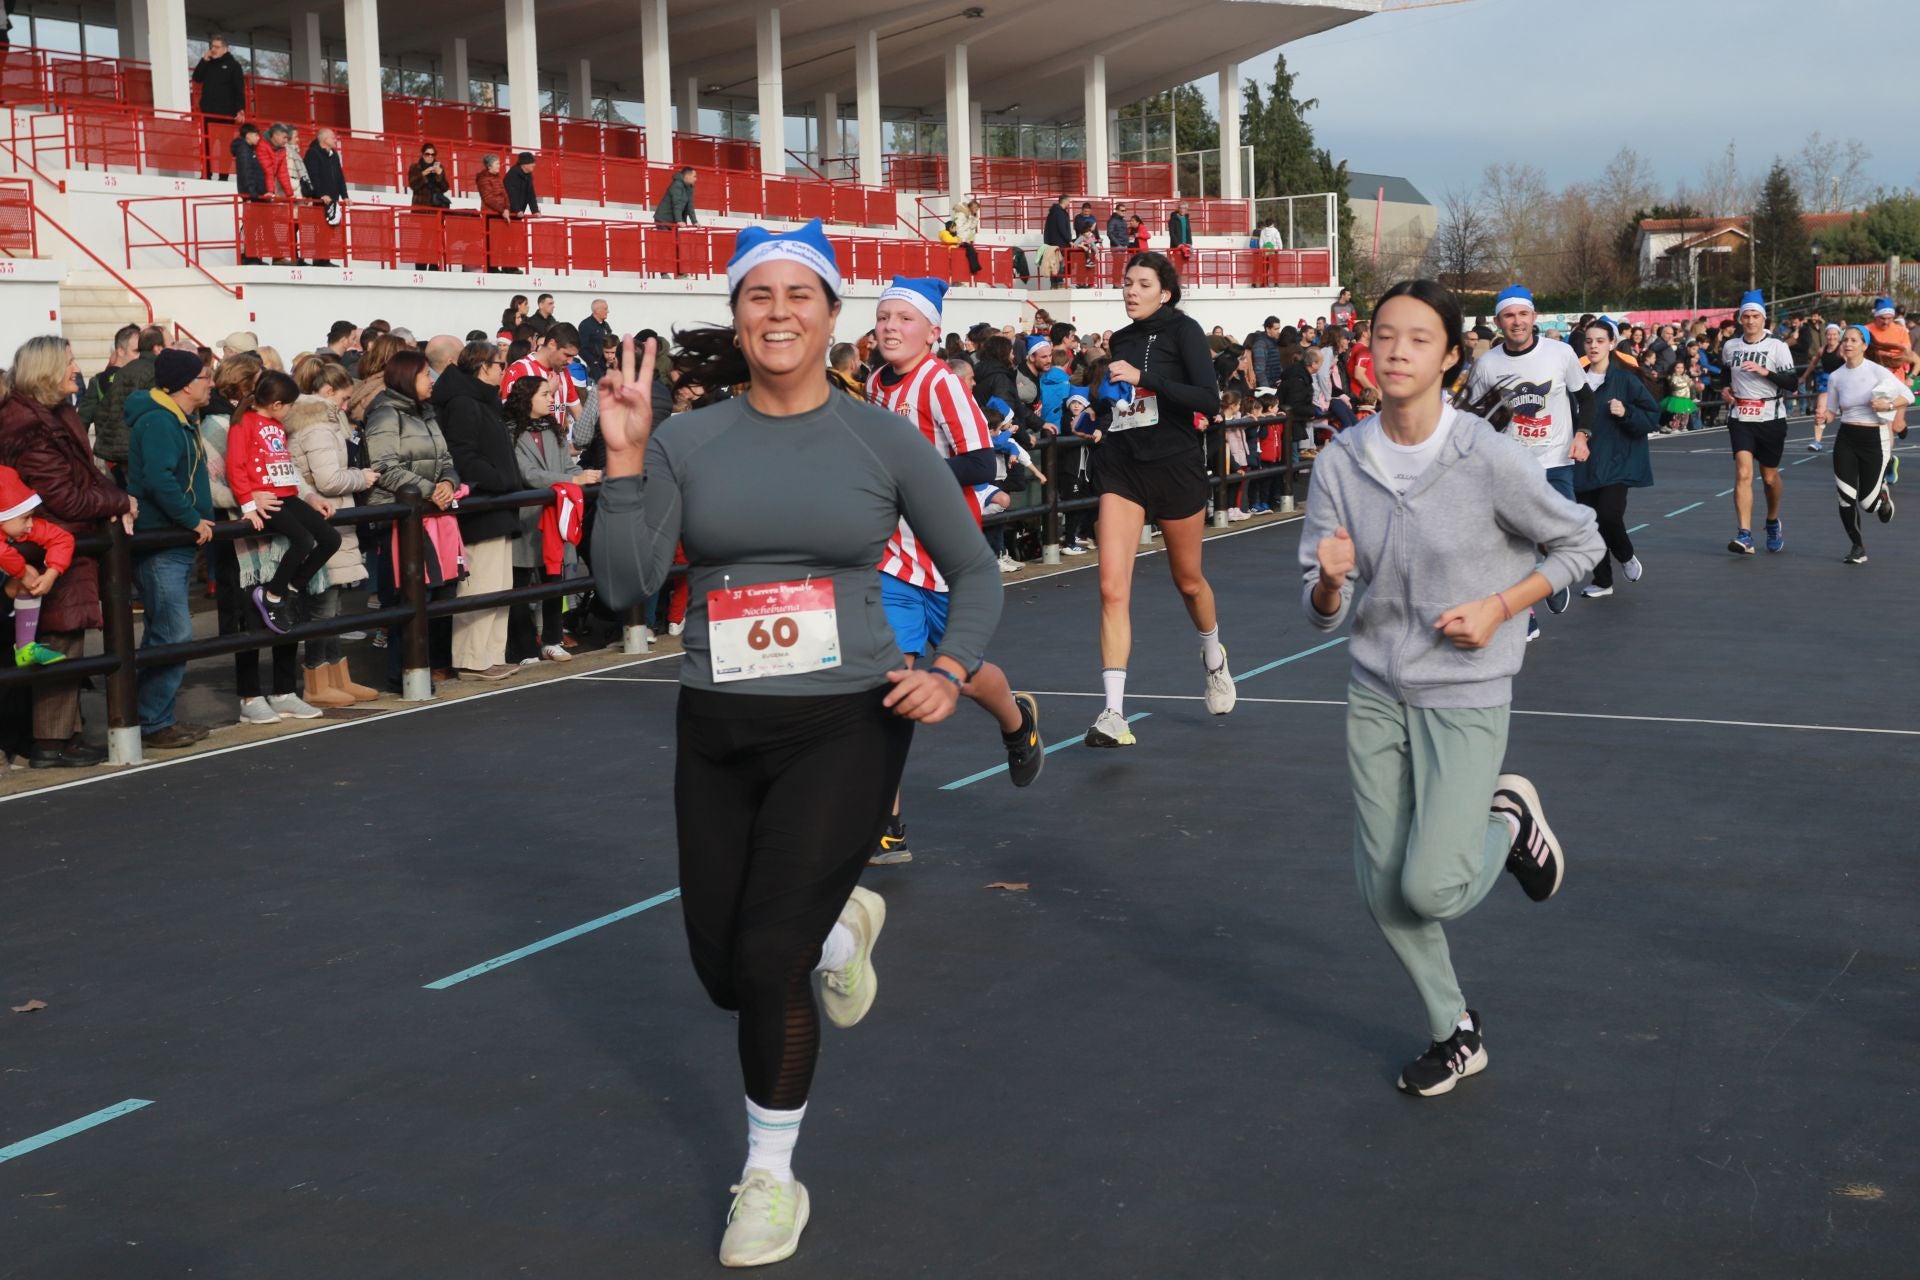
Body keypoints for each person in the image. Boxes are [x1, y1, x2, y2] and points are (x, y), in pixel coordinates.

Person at [591, 220, 1002, 1268]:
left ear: (831, 315)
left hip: (847, 718)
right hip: (719, 720)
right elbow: (622, 583)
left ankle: (769, 1178)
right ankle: (840, 923)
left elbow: (978, 570)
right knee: (727, 972)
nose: (778, 312)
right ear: (737, 315)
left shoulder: (882, 438)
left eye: (799, 295)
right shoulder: (687, 437)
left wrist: (949, 671)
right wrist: (626, 457)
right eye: (758, 295)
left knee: (766, 961)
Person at [1300, 278, 1601, 1099]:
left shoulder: (1486, 457)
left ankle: (1509, 820)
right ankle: (1455, 1031)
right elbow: (1319, 610)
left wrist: (1502, 606)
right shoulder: (1340, 461)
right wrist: (1329, 585)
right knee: (1381, 889)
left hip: (1466, 687)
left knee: (1430, 884)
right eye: (1384, 334)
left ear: (1449, 357)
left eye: (1419, 338)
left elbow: (1581, 542)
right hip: (1374, 691)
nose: (1396, 350)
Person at [863, 276, 1044, 864]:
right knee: (891, 680)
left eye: (904, 318)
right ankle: (887, 825)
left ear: (931, 331)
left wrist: (916, 476)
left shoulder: (940, 384)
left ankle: (1017, 721)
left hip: (945, 553)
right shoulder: (872, 382)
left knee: (961, 674)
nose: (891, 326)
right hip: (892, 557)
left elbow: (980, 458)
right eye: (884, 316)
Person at [1085, 251, 1231, 748]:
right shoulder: (1121, 339)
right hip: (1124, 467)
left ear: (1163, 292)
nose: (1129, 290)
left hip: (1175, 465)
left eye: (1141, 283)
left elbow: (1207, 400)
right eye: (1126, 282)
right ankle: (1112, 713)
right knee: (1111, 587)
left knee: (1188, 582)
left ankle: (1213, 656)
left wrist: (1147, 380)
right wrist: (1103, 412)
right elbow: (1121, 400)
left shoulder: (1185, 331)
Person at [0, 336, 134, 767]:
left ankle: (65, 736)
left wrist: (114, 500)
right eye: (70, 362)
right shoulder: (30, 427)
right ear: (46, 372)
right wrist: (120, 502)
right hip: (50, 546)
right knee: (60, 636)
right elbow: (66, 499)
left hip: (67, 542)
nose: (77, 369)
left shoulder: (52, 414)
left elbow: (84, 481)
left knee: (66, 637)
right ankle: (51, 742)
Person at [1465, 284, 1591, 635]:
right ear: (1498, 321)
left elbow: (1587, 398)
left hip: (1555, 459)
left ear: (1534, 317)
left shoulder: (1561, 353)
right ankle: (1525, 614)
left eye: (1523, 314)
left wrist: (1583, 435)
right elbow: (1479, 417)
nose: (1517, 322)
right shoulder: (1488, 364)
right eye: (1509, 316)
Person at [124, 349, 218, 747]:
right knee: (172, 631)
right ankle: (151, 721)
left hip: (172, 536)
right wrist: (191, 518)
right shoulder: (162, 422)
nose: (212, 383)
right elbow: (159, 479)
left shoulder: (177, 419)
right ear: (185, 384)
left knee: (168, 630)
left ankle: (154, 718)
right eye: (206, 377)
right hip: (163, 538)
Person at [366, 350, 461, 690]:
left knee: (435, 594)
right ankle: (400, 672)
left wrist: (448, 483)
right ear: (408, 378)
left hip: (430, 514)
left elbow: (447, 458)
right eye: (425, 375)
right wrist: (430, 489)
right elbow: (384, 467)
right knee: (406, 598)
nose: (432, 381)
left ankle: (420, 667)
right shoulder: (384, 413)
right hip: (398, 518)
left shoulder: (426, 412)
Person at [286, 359, 380, 705]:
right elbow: (328, 479)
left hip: (329, 520)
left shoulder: (315, 423)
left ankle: (336, 676)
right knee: (323, 605)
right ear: (327, 393)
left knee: (331, 605)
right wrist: (362, 477)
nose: (346, 406)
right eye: (343, 399)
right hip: (326, 519)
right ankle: (317, 679)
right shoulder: (319, 427)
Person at [225, 369, 342, 635]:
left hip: (287, 495)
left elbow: (285, 464)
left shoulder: (277, 425)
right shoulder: (244, 423)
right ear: (276, 404)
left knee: (330, 539)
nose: (290, 411)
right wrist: (248, 504)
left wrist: (308, 497)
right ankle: (272, 596)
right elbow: (236, 466)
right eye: (289, 405)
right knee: (303, 540)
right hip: (267, 499)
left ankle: (290, 588)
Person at [506, 375, 599, 665]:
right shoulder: (510, 432)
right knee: (520, 584)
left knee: (553, 579)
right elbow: (529, 474)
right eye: (545, 394)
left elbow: (568, 464)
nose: (551, 399)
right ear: (527, 398)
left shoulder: (553, 429)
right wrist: (574, 479)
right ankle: (521, 648)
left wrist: (585, 474)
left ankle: (551, 639)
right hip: (525, 516)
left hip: (554, 515)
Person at [1570, 319, 1660, 598]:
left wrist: (1626, 413)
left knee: (1609, 514)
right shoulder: (1574, 380)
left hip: (1617, 461)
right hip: (1583, 462)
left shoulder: (1625, 380)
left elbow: (1652, 416)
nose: (1593, 346)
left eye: (1599, 341)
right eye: (1589, 341)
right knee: (1588, 523)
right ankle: (1602, 581)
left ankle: (1625, 554)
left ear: (1611, 344)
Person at [1815, 324, 1911, 564]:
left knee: (1868, 504)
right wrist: (1824, 417)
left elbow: (1908, 396)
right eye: (1845, 340)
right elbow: (1833, 410)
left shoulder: (1877, 371)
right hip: (1846, 438)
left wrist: (1888, 406)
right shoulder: (1836, 376)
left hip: (1874, 440)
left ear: (1865, 346)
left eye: (1853, 340)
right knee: (1845, 496)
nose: (1847, 344)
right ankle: (1857, 547)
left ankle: (1882, 497)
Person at [1718, 291, 1797, 555]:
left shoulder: (1777, 347)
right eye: (1746, 316)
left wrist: (1766, 372)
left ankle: (1773, 521)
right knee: (1743, 472)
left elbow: (1792, 383)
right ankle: (1745, 535)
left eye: (1755, 316)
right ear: (1740, 319)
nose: (1750, 321)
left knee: (1769, 477)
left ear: (1763, 319)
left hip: (1771, 417)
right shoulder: (1731, 347)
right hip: (1740, 416)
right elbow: (1725, 374)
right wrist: (1725, 390)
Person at [0, 465, 75, 668]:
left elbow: (62, 539)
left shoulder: (22, 526)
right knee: (29, 572)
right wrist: (23, 573)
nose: (31, 524)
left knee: (33, 574)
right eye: (25, 518)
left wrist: (51, 573)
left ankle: (25, 647)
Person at [193, 36, 247, 178]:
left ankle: (223, 177)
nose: (213, 49)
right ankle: (206, 175)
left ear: (225, 49)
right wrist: (204, 60)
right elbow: (197, 78)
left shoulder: (234, 65)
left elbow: (239, 89)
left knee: (225, 148)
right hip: (208, 113)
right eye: (212, 46)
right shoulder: (209, 63)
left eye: (217, 47)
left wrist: (240, 109)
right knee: (206, 145)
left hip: (226, 115)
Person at [1803, 324, 1844, 451]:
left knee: (1846, 412)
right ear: (1826, 335)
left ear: (1839, 335)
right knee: (1820, 410)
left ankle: (1849, 440)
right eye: (1829, 334)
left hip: (1843, 383)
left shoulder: (1842, 349)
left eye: (1834, 334)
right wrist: (1804, 377)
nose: (1832, 337)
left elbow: (1851, 363)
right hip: (1827, 383)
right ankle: (1816, 441)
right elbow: (1813, 364)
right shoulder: (1822, 350)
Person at [578, 300, 614, 380]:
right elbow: (581, 348)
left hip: (608, 365)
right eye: (605, 309)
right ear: (597, 310)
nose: (608, 311)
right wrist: (594, 362)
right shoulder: (586, 325)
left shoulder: (605, 325)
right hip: (595, 369)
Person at [506, 152, 541, 217]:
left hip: (518, 213)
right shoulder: (513, 174)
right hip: (508, 214)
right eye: (532, 162)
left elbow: (531, 195)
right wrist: (517, 210)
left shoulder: (528, 176)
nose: (534, 165)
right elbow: (511, 194)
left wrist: (535, 211)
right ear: (524, 164)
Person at [1167, 201, 1193, 265]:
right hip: (1177, 246)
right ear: (1178, 209)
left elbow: (1188, 231)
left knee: (1184, 264)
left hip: (1186, 245)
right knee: (1177, 264)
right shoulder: (1173, 219)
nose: (1182, 210)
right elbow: (1172, 233)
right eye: (1181, 208)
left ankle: (1179, 275)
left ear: (1186, 209)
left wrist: (1189, 243)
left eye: (1184, 208)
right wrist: (1178, 244)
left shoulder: (1186, 218)